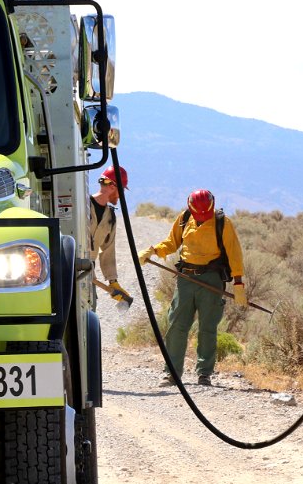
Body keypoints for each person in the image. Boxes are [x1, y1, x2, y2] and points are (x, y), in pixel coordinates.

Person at [137, 189, 246, 387]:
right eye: (199, 214)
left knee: (207, 328)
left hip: (212, 280)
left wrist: (238, 283)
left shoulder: (223, 223)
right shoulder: (184, 218)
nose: (203, 217)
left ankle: (204, 374)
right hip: (185, 278)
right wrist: (153, 251)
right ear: (190, 207)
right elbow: (172, 243)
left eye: (206, 213)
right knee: (177, 325)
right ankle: (172, 373)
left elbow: (234, 253)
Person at [90, 165, 132, 306]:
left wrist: (112, 282)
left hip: (87, 274)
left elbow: (108, 249)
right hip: (69, 268)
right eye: (121, 190)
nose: (121, 195)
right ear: (113, 186)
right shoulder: (83, 207)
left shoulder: (110, 217)